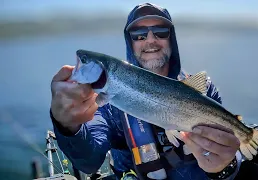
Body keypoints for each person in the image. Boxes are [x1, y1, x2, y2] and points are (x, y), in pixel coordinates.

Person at [50, 3, 242, 180]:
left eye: (160, 31)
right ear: (130, 42)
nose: (150, 39)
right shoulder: (108, 103)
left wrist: (224, 167)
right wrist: (68, 127)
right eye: (139, 34)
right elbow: (89, 161)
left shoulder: (204, 90)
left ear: (171, 38)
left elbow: (231, 152)